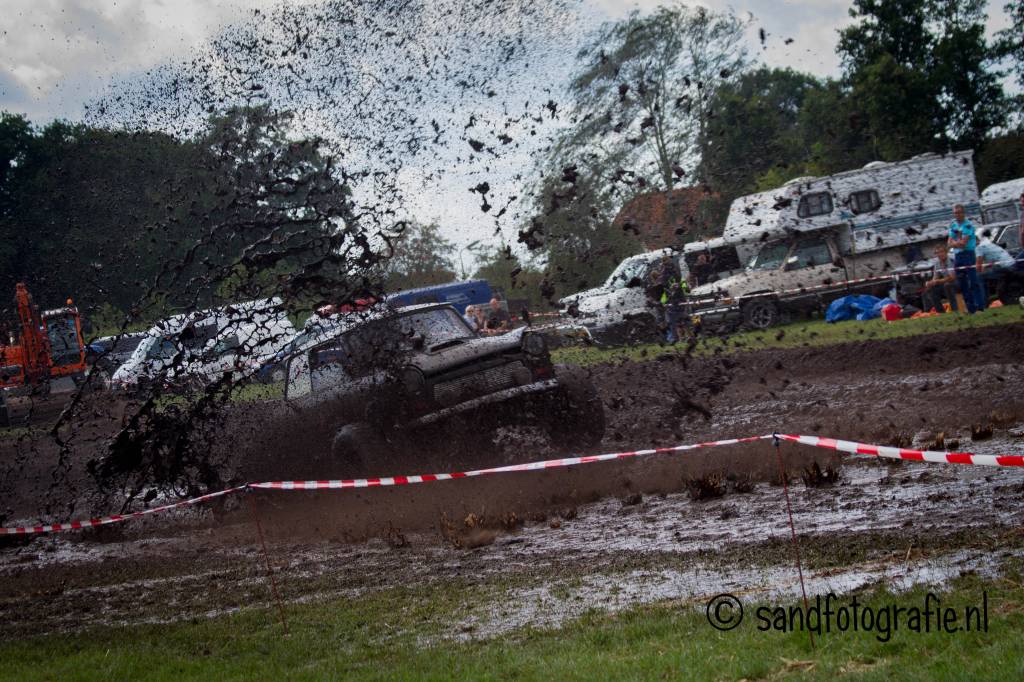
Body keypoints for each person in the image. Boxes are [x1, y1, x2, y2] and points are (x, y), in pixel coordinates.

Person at [947, 203, 984, 314]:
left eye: (959, 213)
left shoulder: (967, 225)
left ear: (963, 213)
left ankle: (979, 307)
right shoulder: (953, 225)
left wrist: (955, 243)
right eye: (955, 213)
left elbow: (964, 243)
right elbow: (948, 243)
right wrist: (955, 243)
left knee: (973, 282)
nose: (957, 215)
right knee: (962, 282)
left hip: (968, 254)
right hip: (958, 256)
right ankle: (970, 308)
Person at [975, 230, 1016, 308]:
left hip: (1004, 267)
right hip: (1012, 265)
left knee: (979, 277)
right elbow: (992, 262)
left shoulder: (979, 247)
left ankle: (983, 304)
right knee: (985, 275)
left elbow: (978, 266)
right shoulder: (990, 244)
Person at [921, 243, 959, 313]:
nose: (940, 254)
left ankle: (955, 310)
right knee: (930, 290)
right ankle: (940, 312)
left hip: (957, 281)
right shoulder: (937, 263)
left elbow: (952, 277)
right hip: (945, 283)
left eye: (942, 252)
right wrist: (930, 283)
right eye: (938, 253)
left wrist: (937, 281)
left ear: (946, 252)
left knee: (948, 285)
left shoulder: (951, 260)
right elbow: (935, 278)